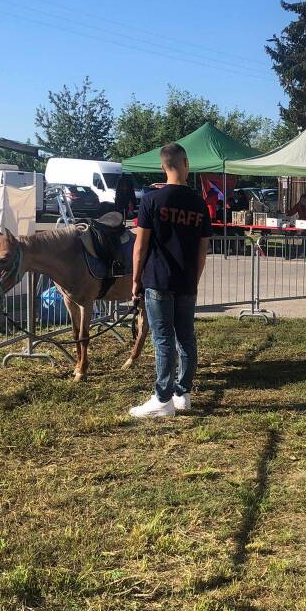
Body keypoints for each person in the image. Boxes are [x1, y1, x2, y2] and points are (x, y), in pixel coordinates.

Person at [129, 143, 213, 418]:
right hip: (186, 281)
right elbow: (203, 249)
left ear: (163, 166)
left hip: (158, 279)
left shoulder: (151, 200)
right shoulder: (199, 203)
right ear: (186, 163)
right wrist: (195, 279)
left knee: (163, 339)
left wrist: (135, 280)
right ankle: (182, 393)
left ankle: (162, 399)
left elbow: (140, 245)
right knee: (186, 338)